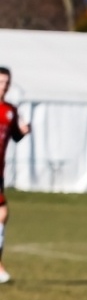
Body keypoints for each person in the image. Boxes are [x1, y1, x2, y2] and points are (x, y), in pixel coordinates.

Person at [0, 66, 33, 285]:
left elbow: (14, 136)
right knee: (2, 213)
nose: (4, 86)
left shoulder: (10, 110)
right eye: (0, 82)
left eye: (6, 83)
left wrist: (23, 131)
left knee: (2, 215)